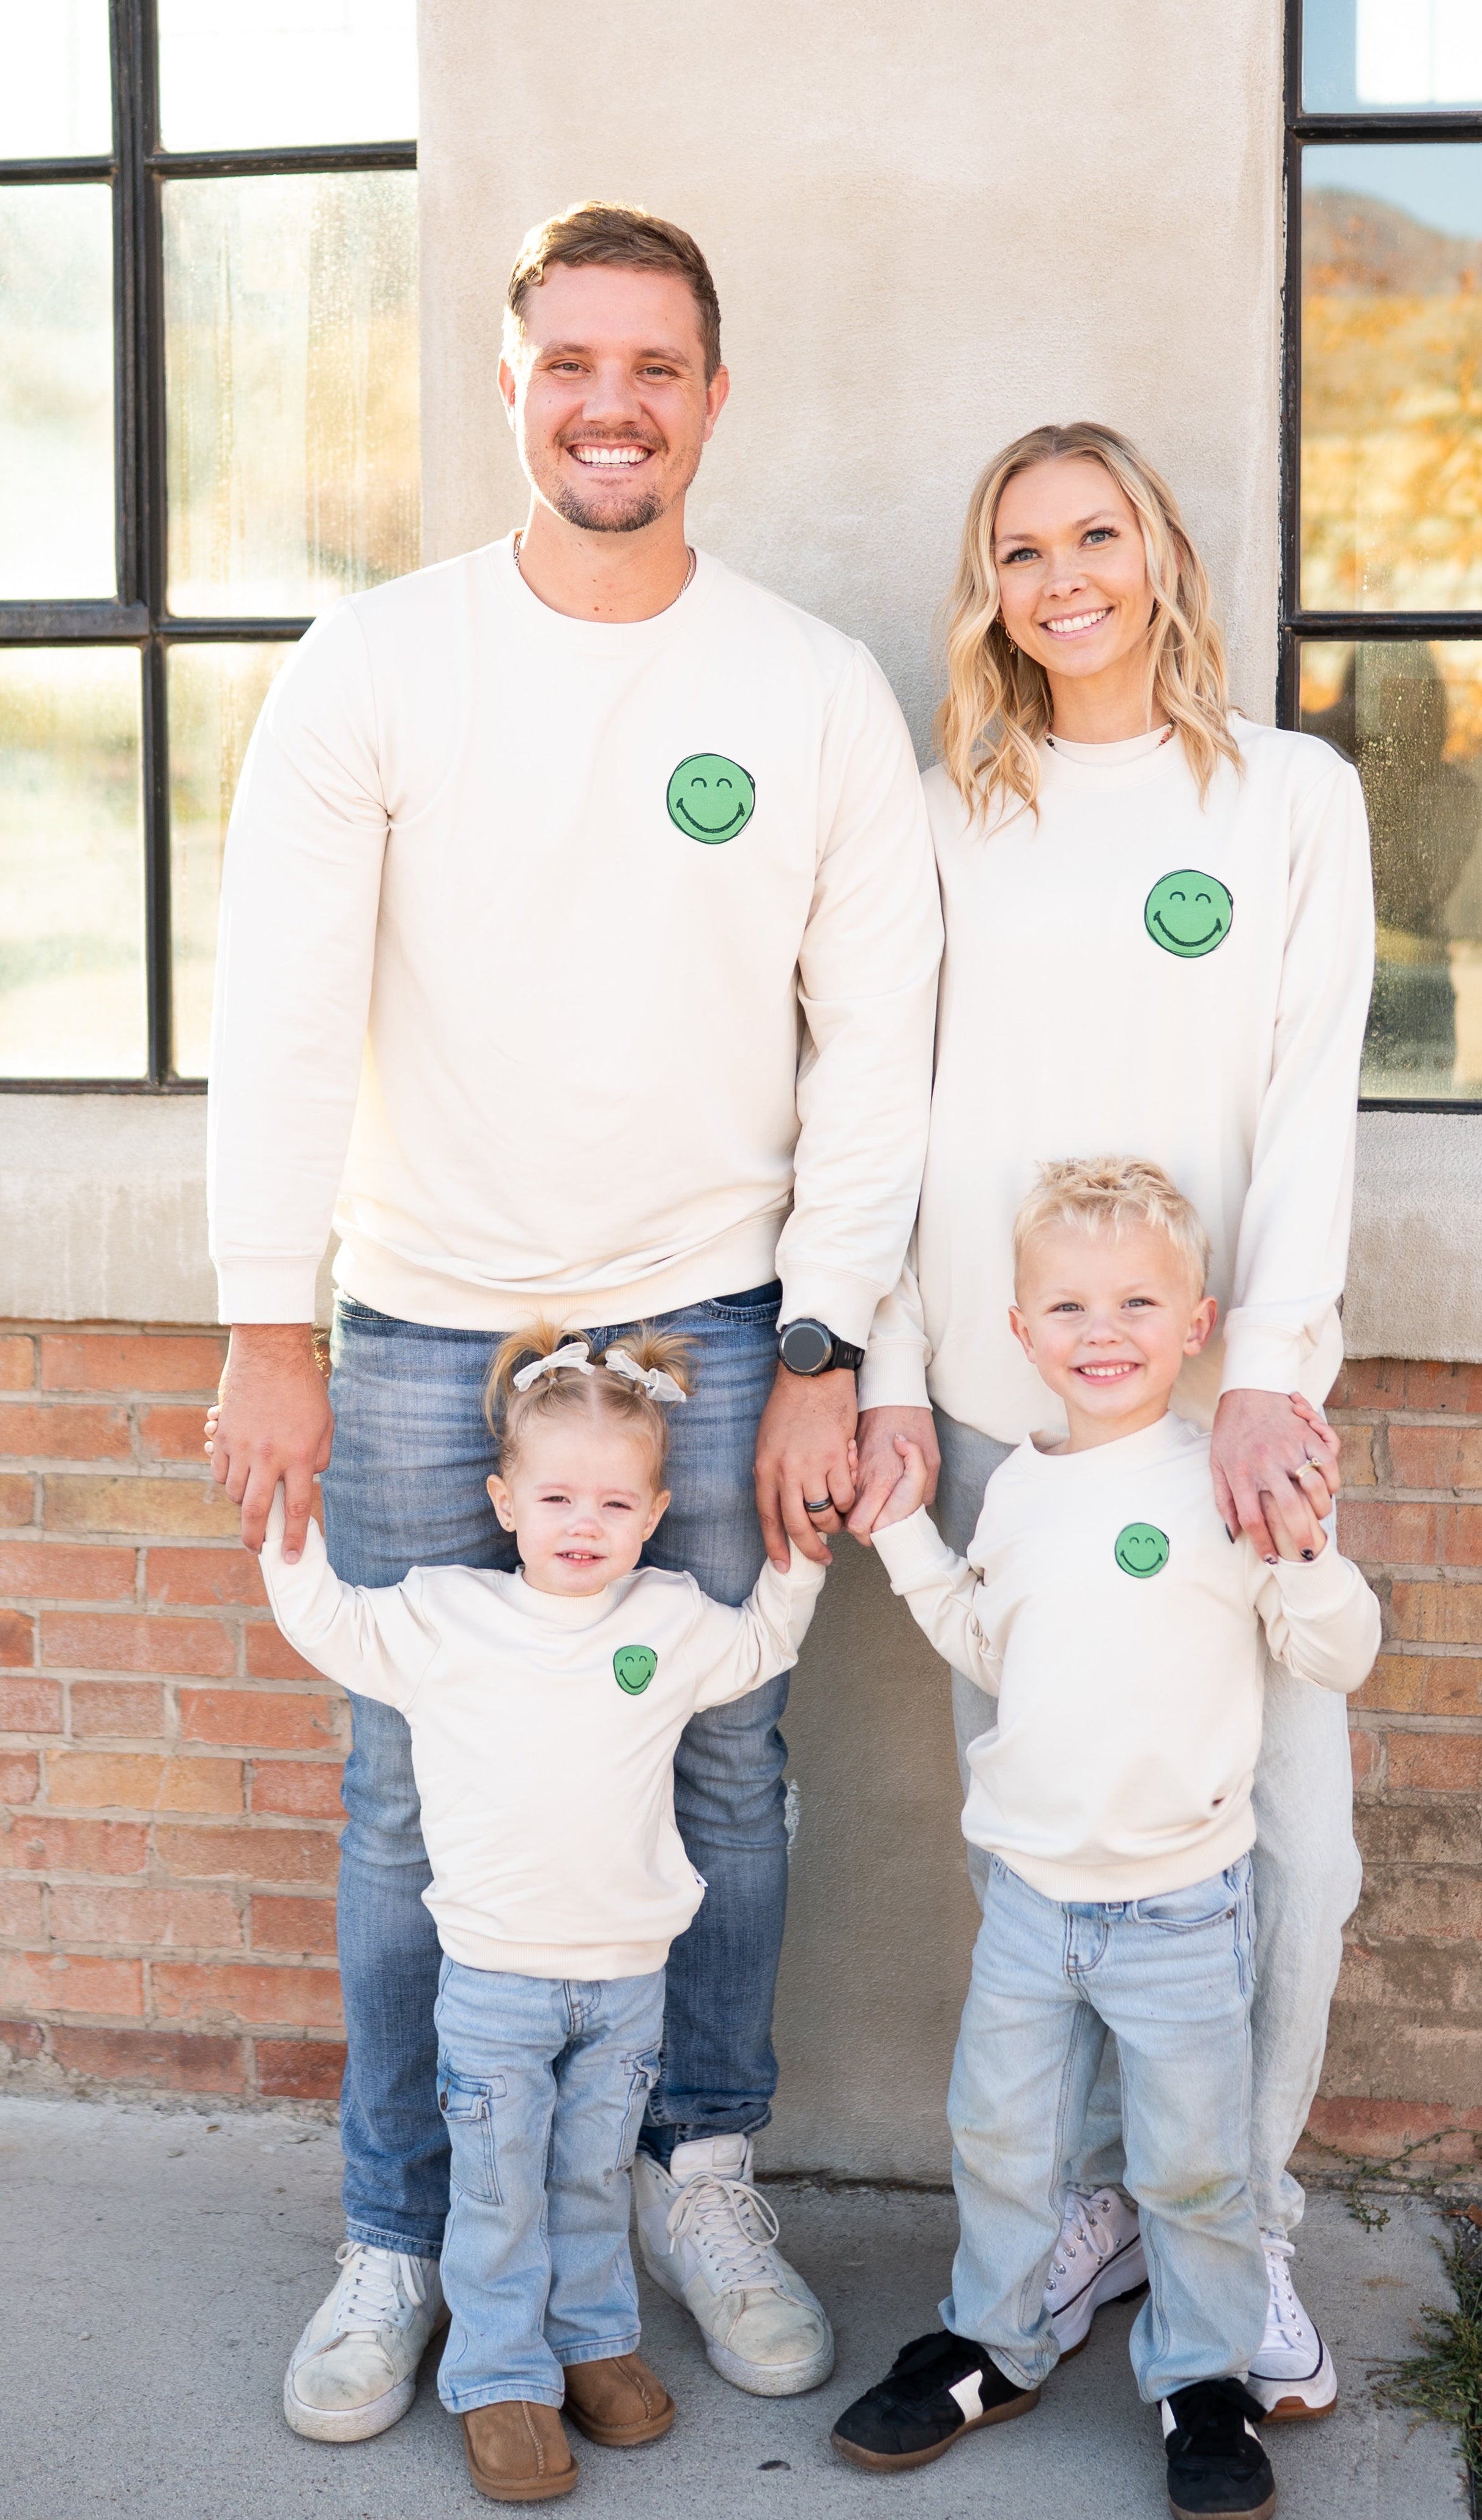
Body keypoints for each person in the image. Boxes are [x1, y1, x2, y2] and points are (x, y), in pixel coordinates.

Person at [206, 201, 941, 2437]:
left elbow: (877, 1042)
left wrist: (824, 1342)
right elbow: (278, 1008)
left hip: (716, 1318)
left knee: (725, 1764)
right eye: (570, 363)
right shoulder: (375, 667)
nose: (610, 403)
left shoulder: (803, 690)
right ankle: (404, 2236)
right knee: (406, 1786)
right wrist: (266, 1321)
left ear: (714, 397)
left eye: (655, 366)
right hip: (425, 1313)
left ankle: (691, 2169)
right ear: (513, 385)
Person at [850, 423, 1375, 2414]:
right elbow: (881, 1128)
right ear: (986, 590)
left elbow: (1311, 1096)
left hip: (1223, 1422)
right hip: (1004, 1430)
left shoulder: (1286, 801)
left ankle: (1229, 2233)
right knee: (1059, 1875)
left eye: (1093, 535)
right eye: (1019, 551)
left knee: (1290, 1867)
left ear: (1153, 550)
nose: (1061, 577)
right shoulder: (936, 813)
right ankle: (1095, 2217)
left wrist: (1266, 1378)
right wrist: (897, 1388)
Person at [834, 1160, 1379, 2520]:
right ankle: (990, 2343)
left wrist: (1310, 1553)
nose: (1102, 1328)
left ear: (1198, 1323)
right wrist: (906, 1539)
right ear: (1019, 1331)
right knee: (1000, 2136)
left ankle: (1200, 2379)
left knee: (1190, 2165)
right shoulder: (1016, 1488)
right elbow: (983, 1641)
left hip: (1177, 1908)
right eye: (1067, 1303)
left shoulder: (1223, 1478)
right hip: (1027, 1901)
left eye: (1137, 1299)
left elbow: (1336, 1647)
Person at [261, 1326, 829, 2500]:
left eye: (614, 1502)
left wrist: (802, 1553)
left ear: (656, 1510)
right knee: (498, 2182)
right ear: (503, 1501)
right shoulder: (446, 1617)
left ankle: (590, 2346)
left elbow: (760, 1644)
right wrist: (288, 1517)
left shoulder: (666, 1621)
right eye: (557, 1495)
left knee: (587, 2178)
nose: (585, 1522)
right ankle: (500, 2374)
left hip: (626, 1985)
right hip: (495, 1981)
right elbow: (332, 1629)